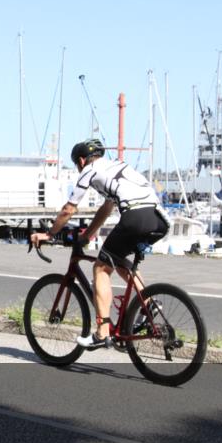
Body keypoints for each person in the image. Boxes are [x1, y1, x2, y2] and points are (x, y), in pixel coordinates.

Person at [30, 139, 169, 350]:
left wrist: (49, 234)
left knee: (100, 268)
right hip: (158, 219)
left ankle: (102, 333)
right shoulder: (115, 166)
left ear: (81, 160)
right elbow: (106, 208)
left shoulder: (89, 170)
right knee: (118, 260)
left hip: (135, 217)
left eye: (77, 165)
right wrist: (88, 235)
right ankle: (149, 304)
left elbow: (69, 209)